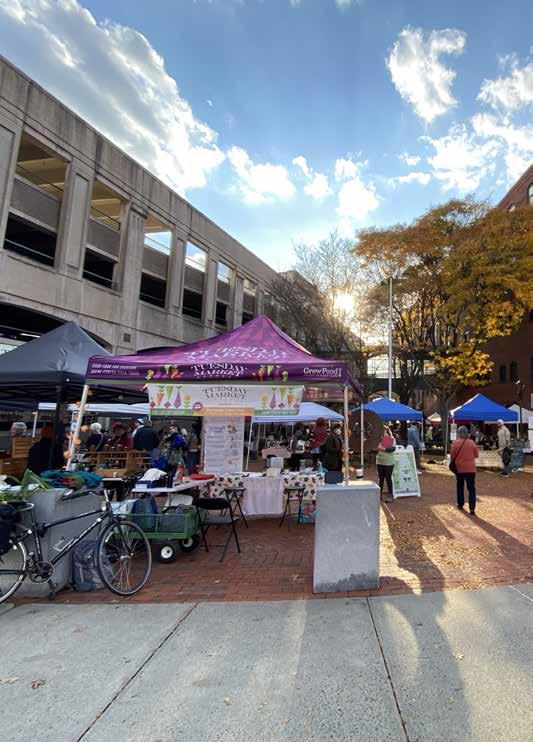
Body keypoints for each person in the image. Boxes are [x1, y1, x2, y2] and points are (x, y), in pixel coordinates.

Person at [450, 425, 479, 515]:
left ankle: (460, 504)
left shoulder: (455, 443)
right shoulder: (472, 442)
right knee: (471, 489)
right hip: (471, 469)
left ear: (459, 434)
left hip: (459, 468)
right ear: (467, 434)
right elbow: (476, 455)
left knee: (460, 486)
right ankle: (472, 508)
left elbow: (452, 456)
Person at [376, 426, 396, 502]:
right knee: (380, 479)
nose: (383, 433)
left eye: (384, 431)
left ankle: (390, 496)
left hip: (389, 462)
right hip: (379, 461)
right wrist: (377, 448)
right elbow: (375, 449)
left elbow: (392, 449)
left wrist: (383, 448)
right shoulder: (378, 439)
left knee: (388, 478)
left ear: (388, 432)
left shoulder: (392, 439)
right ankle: (379, 495)